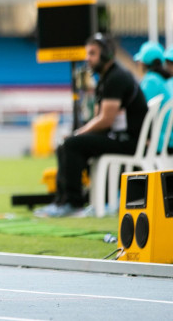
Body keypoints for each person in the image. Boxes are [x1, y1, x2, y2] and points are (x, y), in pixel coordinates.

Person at [35, 34, 148, 217]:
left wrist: (77, 133)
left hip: (130, 141)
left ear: (107, 55)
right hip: (120, 137)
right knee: (67, 145)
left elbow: (105, 120)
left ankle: (72, 202)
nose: (87, 58)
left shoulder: (116, 78)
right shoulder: (106, 78)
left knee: (72, 144)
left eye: (92, 54)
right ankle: (63, 201)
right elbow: (99, 117)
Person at [133, 41, 173, 151]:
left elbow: (140, 111)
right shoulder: (162, 80)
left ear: (143, 63)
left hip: (156, 141)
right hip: (163, 138)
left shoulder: (151, 81)